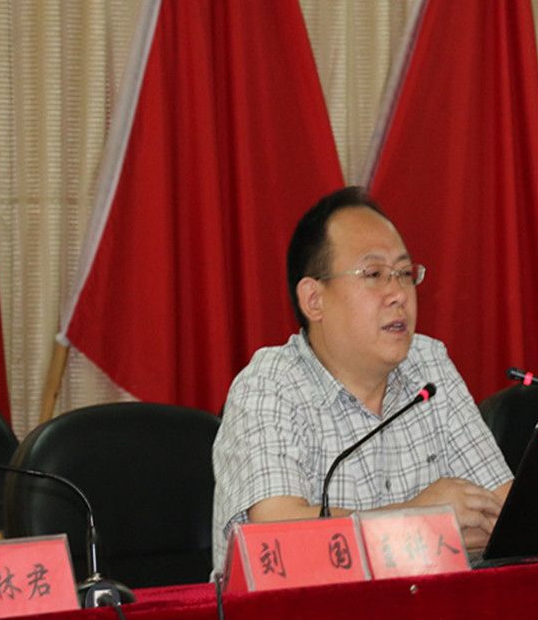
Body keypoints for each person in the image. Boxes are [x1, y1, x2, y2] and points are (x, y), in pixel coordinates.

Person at [211, 187, 512, 571]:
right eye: (374, 275)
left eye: (404, 274)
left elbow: (506, 516)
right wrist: (419, 519)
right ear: (314, 299)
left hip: (427, 606)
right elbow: (279, 541)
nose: (399, 294)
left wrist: (413, 530)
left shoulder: (428, 365)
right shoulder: (269, 385)